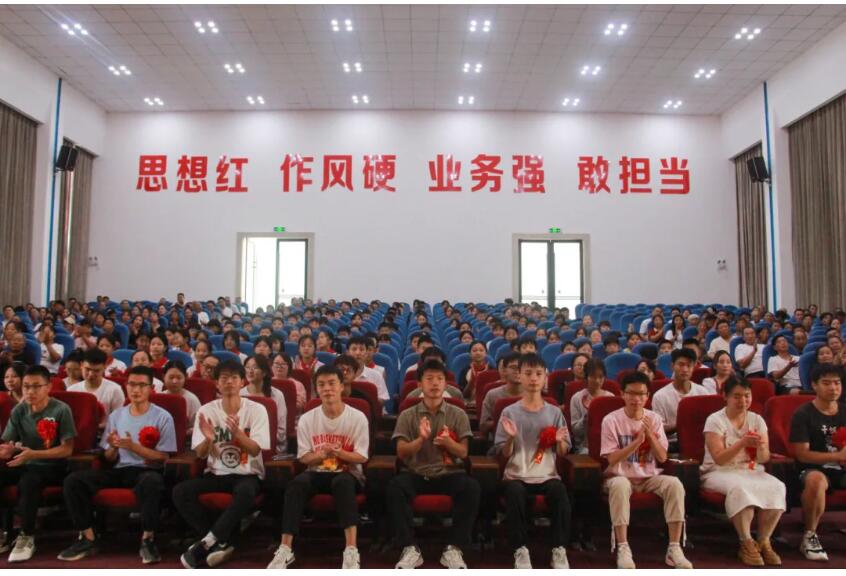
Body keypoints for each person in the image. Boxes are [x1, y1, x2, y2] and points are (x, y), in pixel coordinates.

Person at [59, 365, 177, 564]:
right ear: (126, 387)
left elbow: (164, 457)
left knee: (152, 482)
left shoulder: (162, 416)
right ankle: (88, 537)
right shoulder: (116, 416)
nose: (136, 390)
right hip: (119, 470)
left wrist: (134, 447)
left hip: (147, 470)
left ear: (151, 389)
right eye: (131, 384)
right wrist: (113, 447)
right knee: (74, 481)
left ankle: (148, 539)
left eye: (142, 385)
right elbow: (108, 457)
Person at [268, 366, 369, 569]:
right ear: (316, 389)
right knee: (297, 484)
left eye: (332, 383)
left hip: (348, 473)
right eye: (321, 384)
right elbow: (304, 458)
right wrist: (321, 455)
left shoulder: (357, 417)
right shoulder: (307, 418)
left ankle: (351, 549)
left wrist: (339, 453)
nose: (327, 389)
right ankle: (285, 548)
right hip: (316, 471)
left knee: (342, 483)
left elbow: (361, 457)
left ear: (341, 386)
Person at [174, 359, 271, 568]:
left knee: (246, 492)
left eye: (234, 378)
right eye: (224, 378)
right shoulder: (206, 411)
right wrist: (209, 440)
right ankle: (223, 541)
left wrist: (238, 434)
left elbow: (256, 450)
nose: (229, 382)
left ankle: (208, 542)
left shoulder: (257, 410)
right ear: (216, 383)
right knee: (181, 492)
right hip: (216, 473)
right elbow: (200, 454)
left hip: (247, 474)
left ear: (242, 382)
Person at [388, 359, 480, 569]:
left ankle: (455, 548)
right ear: (419, 384)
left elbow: (463, 452)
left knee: (471, 488)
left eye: (439, 379)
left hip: (449, 473)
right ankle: (409, 548)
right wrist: (421, 440)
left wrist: (449, 443)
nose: (435, 383)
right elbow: (401, 452)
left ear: (446, 384)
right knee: (395, 487)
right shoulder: (407, 415)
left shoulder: (458, 414)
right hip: (416, 473)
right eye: (429, 379)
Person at [601, 371, 692, 569]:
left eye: (641, 394)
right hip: (619, 475)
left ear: (647, 396)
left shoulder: (654, 419)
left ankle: (674, 547)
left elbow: (662, 457)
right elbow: (612, 459)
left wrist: (650, 435)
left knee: (674, 484)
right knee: (619, 485)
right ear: (622, 394)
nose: (636, 399)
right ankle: (623, 547)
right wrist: (636, 443)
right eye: (631, 393)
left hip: (648, 477)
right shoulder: (611, 420)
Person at [495, 353, 571, 569]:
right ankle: (520, 549)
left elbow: (564, 452)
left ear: (545, 377)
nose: (533, 378)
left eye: (538, 374)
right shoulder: (509, 411)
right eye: (528, 373)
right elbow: (504, 453)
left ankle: (559, 549)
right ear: (519, 376)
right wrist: (511, 438)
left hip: (546, 474)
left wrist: (559, 441)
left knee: (560, 493)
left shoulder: (554, 412)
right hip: (516, 474)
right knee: (514, 492)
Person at [700, 375, 785, 566]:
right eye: (737, 396)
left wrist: (761, 447)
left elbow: (764, 458)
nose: (743, 401)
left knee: (777, 486)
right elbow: (719, 458)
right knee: (740, 489)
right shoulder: (715, 420)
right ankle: (745, 541)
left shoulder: (757, 420)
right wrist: (742, 443)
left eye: (747, 396)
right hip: (718, 471)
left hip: (750, 470)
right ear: (725, 396)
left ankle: (763, 541)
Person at [0, 366, 75, 562]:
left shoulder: (61, 410)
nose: (30, 391)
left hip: (52, 466)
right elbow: (8, 443)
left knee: (29, 480)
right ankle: (3, 532)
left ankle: (26, 535)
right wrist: (7, 450)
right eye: (26, 386)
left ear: (48, 387)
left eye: (36, 386)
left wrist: (34, 454)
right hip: (24, 461)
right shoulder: (19, 410)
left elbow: (67, 449)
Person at [789, 363, 846, 561]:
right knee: (816, 481)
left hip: (842, 468)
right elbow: (802, 455)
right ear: (814, 385)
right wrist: (838, 457)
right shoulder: (803, 414)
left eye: (837, 383)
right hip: (812, 468)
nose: (833, 388)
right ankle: (810, 535)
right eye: (826, 383)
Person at [651, 348, 709, 446]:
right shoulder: (659, 396)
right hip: (672, 442)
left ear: (694, 367)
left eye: (689, 365)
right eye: (681, 365)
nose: (685, 369)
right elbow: (658, 429)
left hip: (699, 440)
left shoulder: (703, 392)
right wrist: (682, 424)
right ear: (672, 366)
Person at [67, 348, 126, 428]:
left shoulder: (115, 390)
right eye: (87, 369)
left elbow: (119, 420)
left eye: (96, 371)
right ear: (81, 365)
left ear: (104, 367)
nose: (91, 374)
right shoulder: (71, 390)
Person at [242, 355, 287, 455]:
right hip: (244, 446)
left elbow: (281, 430)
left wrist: (262, 442)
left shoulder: (277, 395)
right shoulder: (239, 394)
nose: (250, 371)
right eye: (248, 367)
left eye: (255, 367)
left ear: (264, 372)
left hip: (272, 446)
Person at [570, 358, 614, 454]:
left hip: (607, 443)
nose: (597, 381)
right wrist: (584, 420)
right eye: (593, 377)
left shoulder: (610, 397)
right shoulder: (577, 398)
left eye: (601, 377)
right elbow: (575, 431)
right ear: (586, 377)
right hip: (585, 445)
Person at [479, 352, 522, 439]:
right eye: (513, 367)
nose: (517, 371)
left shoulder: (534, 395)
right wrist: (504, 422)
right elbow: (483, 427)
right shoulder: (492, 394)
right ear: (504, 371)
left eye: (521, 367)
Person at [346, 336, 388, 408]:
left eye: (361, 349)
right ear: (347, 353)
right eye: (354, 349)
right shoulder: (340, 375)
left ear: (366, 353)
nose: (358, 353)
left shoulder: (376, 375)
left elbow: (383, 399)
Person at [162, 360, 201, 438]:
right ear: (163, 377)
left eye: (179, 378)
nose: (174, 381)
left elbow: (199, 425)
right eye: (171, 377)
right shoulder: (159, 396)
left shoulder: (192, 399)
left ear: (185, 377)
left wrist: (185, 433)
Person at [458, 340, 493, 407]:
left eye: (481, 350)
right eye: (474, 350)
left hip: (488, 404)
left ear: (486, 353)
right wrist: (472, 380)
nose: (478, 353)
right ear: (470, 354)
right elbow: (462, 395)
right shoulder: (465, 370)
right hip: (469, 404)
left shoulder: (492, 370)